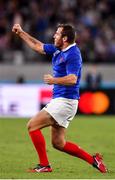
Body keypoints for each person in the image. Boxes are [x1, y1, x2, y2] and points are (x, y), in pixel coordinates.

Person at [12, 23, 107, 173]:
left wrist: (54, 80)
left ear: (65, 38)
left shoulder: (73, 54)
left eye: (57, 34)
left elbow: (72, 79)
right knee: (58, 143)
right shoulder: (58, 48)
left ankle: (44, 165)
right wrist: (21, 33)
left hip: (66, 101)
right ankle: (93, 160)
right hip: (62, 100)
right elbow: (38, 46)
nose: (54, 36)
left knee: (32, 125)